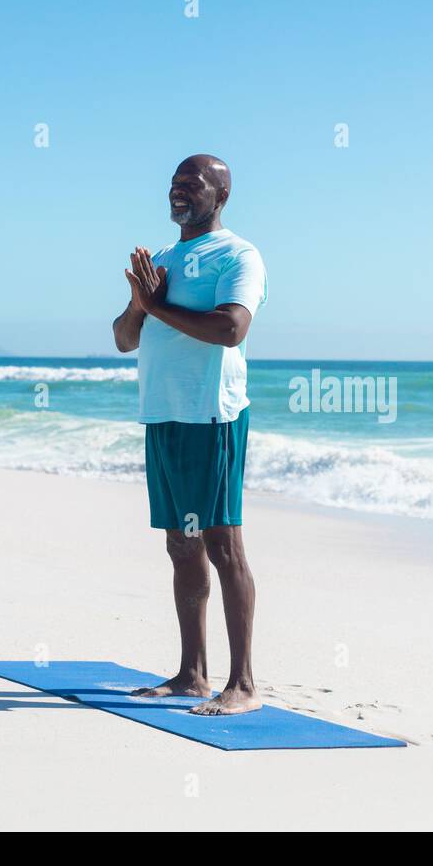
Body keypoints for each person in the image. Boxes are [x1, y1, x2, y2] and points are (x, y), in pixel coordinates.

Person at [112, 154, 267, 715]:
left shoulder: (238, 255)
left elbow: (230, 328)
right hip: (163, 416)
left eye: (192, 185)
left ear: (220, 195)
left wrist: (159, 303)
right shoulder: (161, 260)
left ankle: (244, 683)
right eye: (174, 183)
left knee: (224, 547)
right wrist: (139, 304)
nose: (178, 192)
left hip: (212, 417)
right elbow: (125, 339)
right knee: (182, 546)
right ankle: (191, 675)